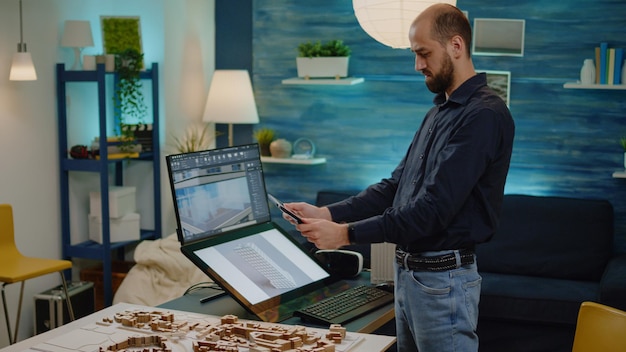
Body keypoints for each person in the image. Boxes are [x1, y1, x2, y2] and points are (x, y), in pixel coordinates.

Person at [282, 3, 515, 352]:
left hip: (442, 280)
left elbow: (432, 210)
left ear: (456, 46)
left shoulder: (484, 115)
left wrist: (346, 234)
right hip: (410, 277)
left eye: (424, 53)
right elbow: (395, 187)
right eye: (415, 54)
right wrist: (329, 214)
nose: (417, 65)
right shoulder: (438, 112)